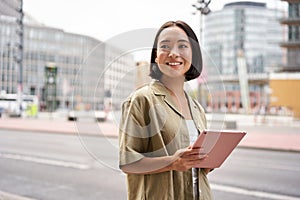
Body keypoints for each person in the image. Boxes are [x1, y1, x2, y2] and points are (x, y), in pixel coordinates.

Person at [119, 20, 213, 200]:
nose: (174, 53)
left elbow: (194, 169)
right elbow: (127, 162)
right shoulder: (141, 100)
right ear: (156, 56)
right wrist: (172, 162)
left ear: (193, 55)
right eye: (165, 46)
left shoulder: (197, 108)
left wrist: (205, 163)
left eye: (183, 46)